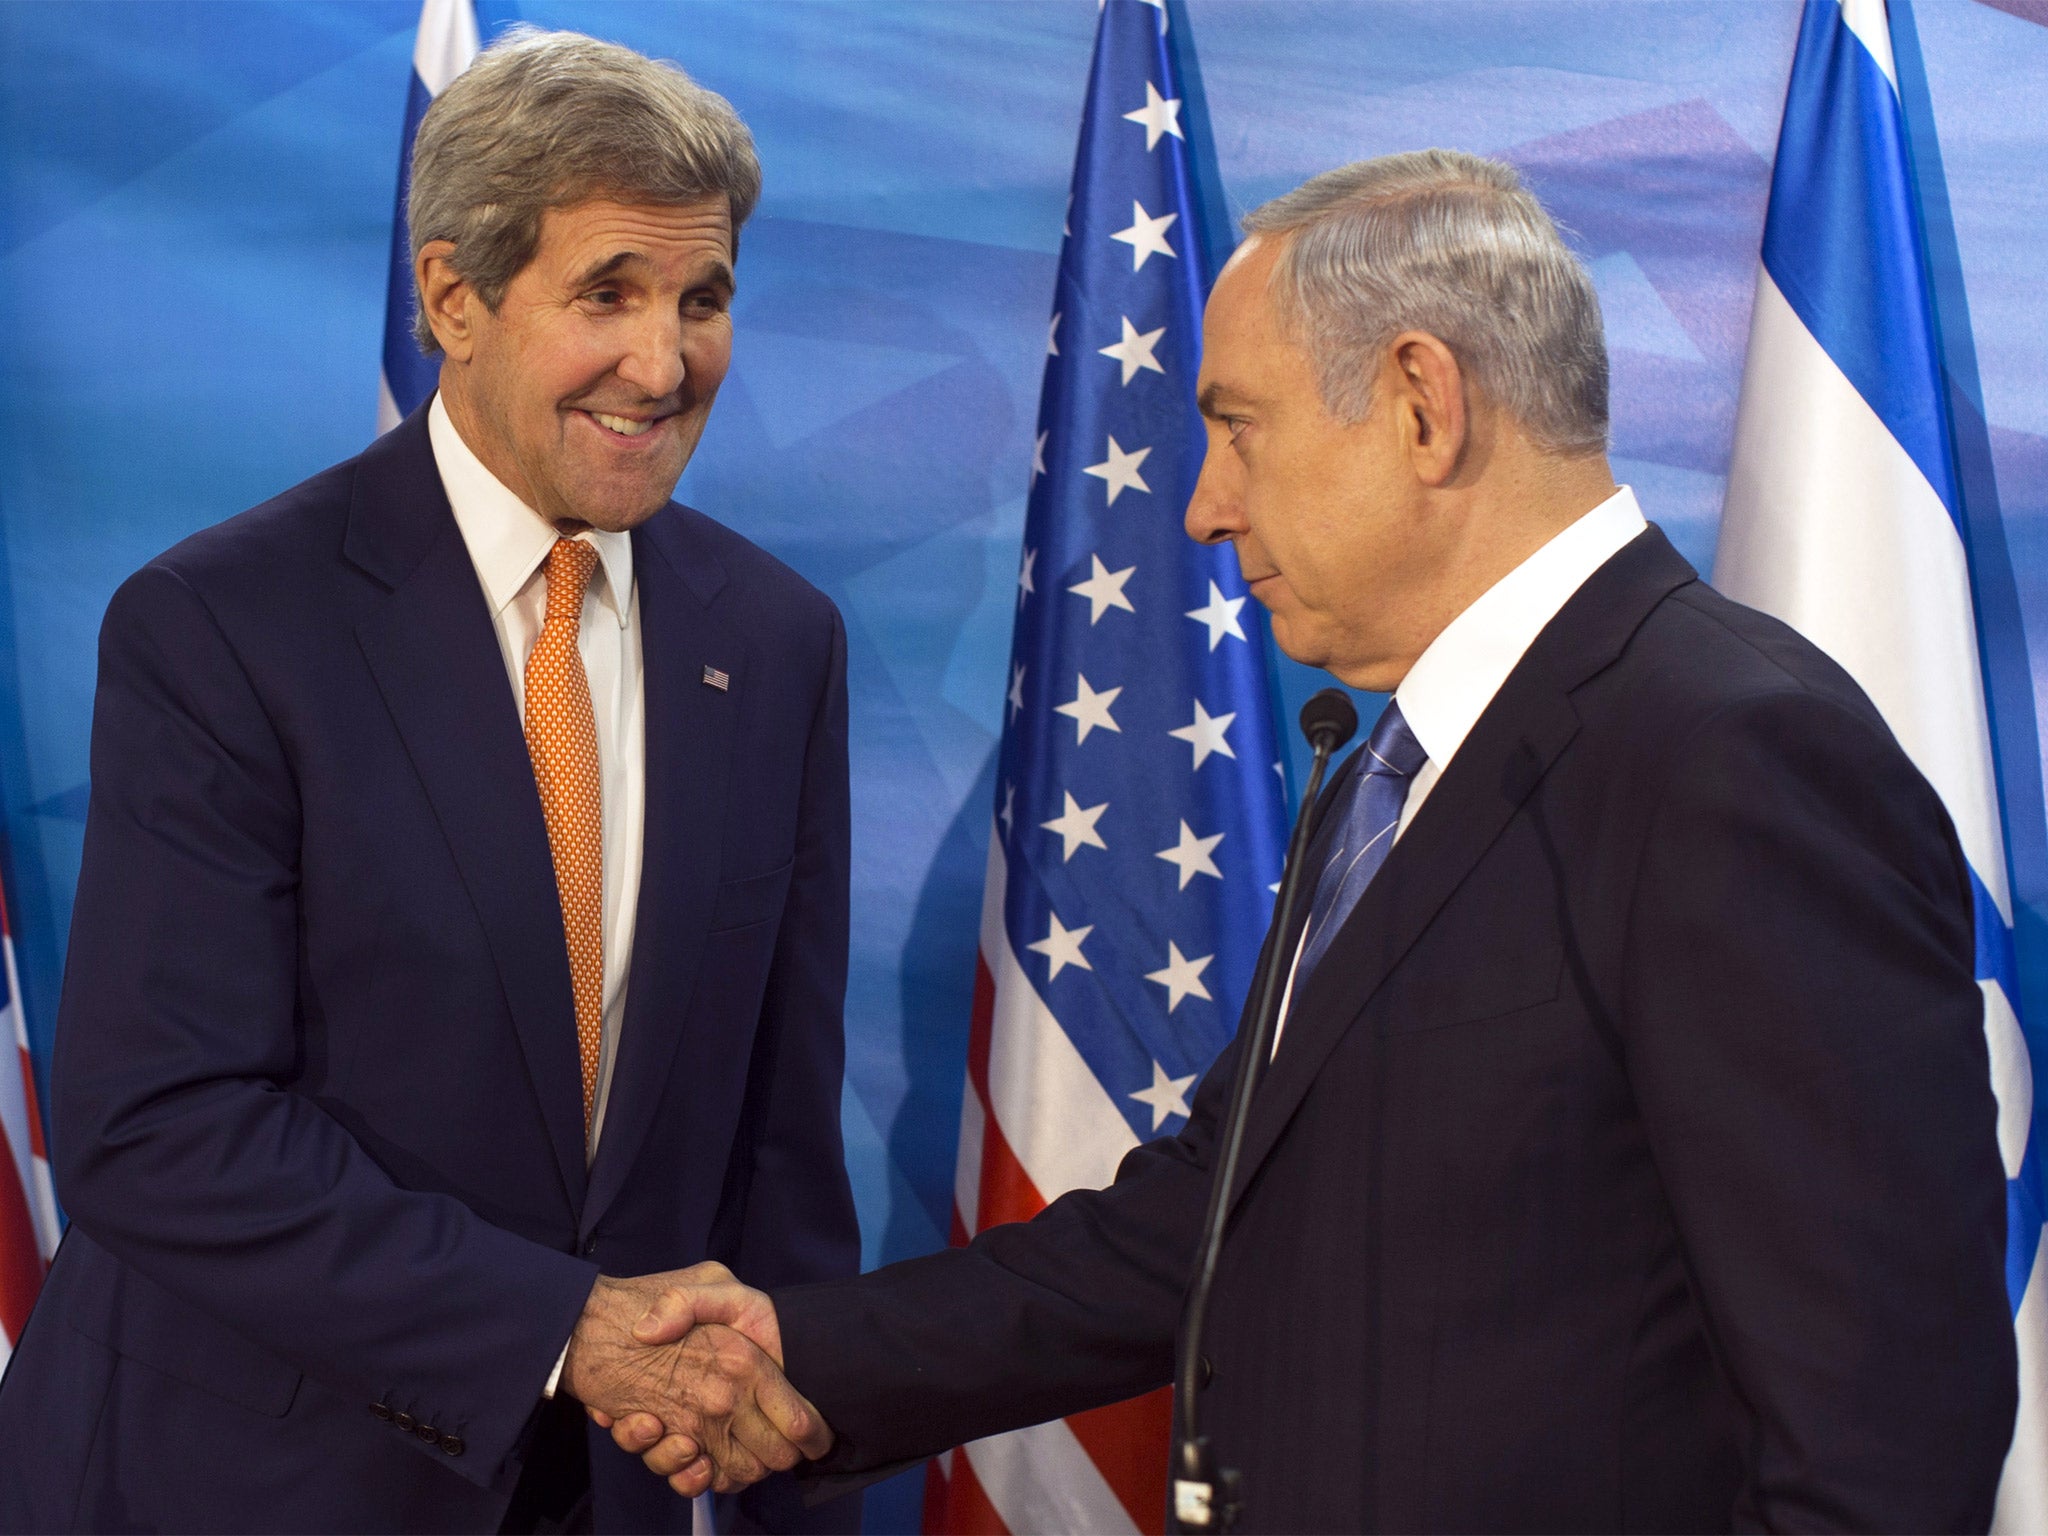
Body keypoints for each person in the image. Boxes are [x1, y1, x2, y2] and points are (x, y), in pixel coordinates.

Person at [605, 151, 2019, 1531]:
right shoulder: (1390, 768)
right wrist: (796, 1353)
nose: (1207, 506)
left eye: (1239, 426)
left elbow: (1881, 1443)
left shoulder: (1734, 758)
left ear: (1421, 404)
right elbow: (1206, 1226)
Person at [0, 28, 856, 1536]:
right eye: (608, 293)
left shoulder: (776, 643)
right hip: (250, 1483)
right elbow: (158, 1124)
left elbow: (773, 1149)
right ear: (455, 297)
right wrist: (556, 1329)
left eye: (702, 298)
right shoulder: (225, 626)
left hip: (607, 1500)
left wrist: (800, 1494)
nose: (664, 365)